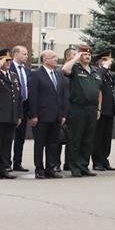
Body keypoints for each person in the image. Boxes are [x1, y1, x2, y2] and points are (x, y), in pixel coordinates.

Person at [62, 45, 103, 177]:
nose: (87, 56)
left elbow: (99, 92)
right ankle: (75, 167)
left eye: (89, 55)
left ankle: (84, 166)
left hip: (91, 109)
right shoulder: (75, 68)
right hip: (77, 108)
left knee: (88, 139)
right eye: (84, 54)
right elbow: (64, 69)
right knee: (76, 139)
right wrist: (75, 58)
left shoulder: (95, 71)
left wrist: (98, 108)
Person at [28, 50, 69, 179]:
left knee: (53, 144)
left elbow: (63, 96)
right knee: (40, 144)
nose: (56, 59)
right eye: (53, 57)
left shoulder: (58, 75)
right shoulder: (36, 75)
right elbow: (32, 96)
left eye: (56, 56)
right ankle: (39, 169)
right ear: (45, 60)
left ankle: (50, 168)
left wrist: (63, 115)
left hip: (56, 116)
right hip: (41, 116)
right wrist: (33, 115)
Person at [0, 49, 23, 179]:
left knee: (7, 144)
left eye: (9, 60)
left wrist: (19, 115)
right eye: (5, 60)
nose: (8, 62)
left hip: (11, 116)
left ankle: (5, 168)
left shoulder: (13, 75)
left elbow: (18, 97)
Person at [92, 50, 115, 171]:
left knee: (106, 138)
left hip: (109, 109)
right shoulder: (97, 71)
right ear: (101, 61)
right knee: (98, 137)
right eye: (107, 60)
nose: (110, 62)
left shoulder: (108, 73)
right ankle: (97, 161)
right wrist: (104, 68)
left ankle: (104, 160)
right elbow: (97, 81)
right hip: (100, 110)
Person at [9, 45, 31, 173]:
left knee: (20, 137)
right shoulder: (9, 68)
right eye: (24, 54)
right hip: (11, 107)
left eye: (27, 54)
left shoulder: (27, 71)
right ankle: (6, 162)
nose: (27, 56)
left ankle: (18, 162)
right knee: (8, 136)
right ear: (16, 54)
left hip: (24, 106)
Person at [60, 48, 76, 172]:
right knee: (59, 138)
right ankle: (55, 163)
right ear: (67, 57)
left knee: (72, 138)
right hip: (64, 108)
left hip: (75, 109)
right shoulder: (63, 70)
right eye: (74, 55)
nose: (77, 57)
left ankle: (69, 162)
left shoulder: (79, 70)